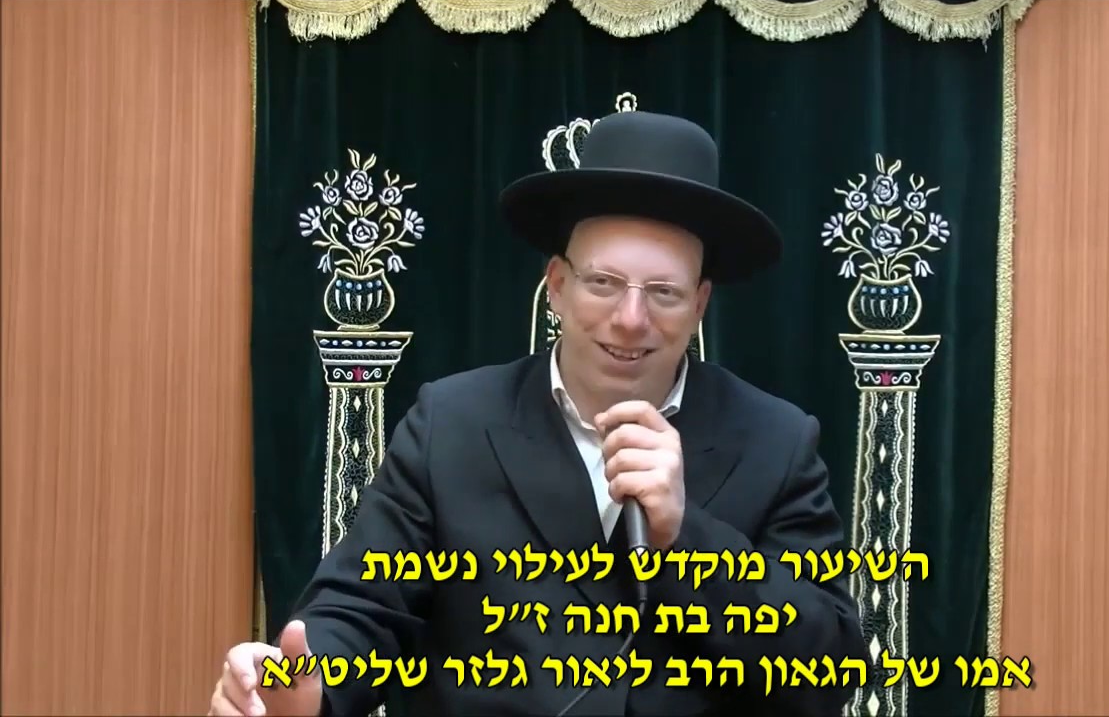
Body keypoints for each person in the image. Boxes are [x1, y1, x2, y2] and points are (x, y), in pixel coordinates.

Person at [209, 110, 869, 717]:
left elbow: (827, 670)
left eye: (664, 292)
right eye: (603, 282)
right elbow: (364, 606)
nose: (630, 318)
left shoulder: (777, 440)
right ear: (556, 285)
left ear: (699, 304)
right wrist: (308, 686)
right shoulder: (451, 424)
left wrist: (686, 539)